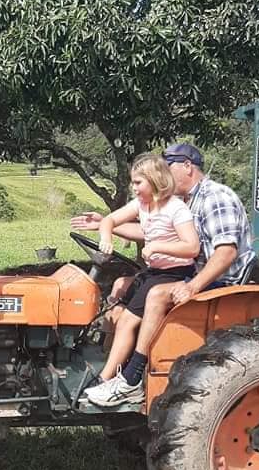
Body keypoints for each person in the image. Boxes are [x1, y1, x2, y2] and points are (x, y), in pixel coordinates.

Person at [73, 142, 255, 408]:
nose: (165, 177)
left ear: (187, 167)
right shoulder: (186, 200)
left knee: (157, 294)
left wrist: (192, 286)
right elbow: (152, 232)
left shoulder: (216, 197)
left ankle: (133, 376)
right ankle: (111, 361)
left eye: (167, 169)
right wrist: (104, 223)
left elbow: (226, 254)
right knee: (122, 284)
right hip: (194, 270)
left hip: (218, 280)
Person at [81, 154, 199, 408]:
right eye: (132, 183)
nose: (133, 188)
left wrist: (157, 245)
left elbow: (192, 247)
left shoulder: (175, 209)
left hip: (173, 275)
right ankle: (106, 366)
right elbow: (110, 220)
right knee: (118, 303)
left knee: (126, 321)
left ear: (155, 181)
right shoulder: (142, 205)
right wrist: (106, 236)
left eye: (138, 183)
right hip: (153, 272)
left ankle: (121, 379)